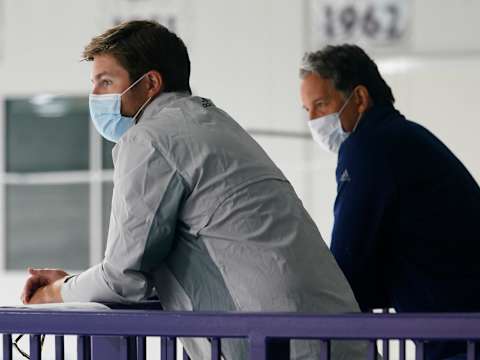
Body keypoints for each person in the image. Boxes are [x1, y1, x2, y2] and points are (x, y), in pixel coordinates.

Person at [21, 21, 368, 359]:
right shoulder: (212, 122)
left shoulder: (150, 139)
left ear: (150, 83)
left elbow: (123, 279)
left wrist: (55, 292)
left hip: (275, 343)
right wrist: (76, 282)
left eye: (106, 82)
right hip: (337, 337)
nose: (96, 96)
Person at [300, 44, 480, 360]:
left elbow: (349, 258)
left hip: (461, 335)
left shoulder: (368, 147)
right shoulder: (403, 136)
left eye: (321, 104)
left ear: (359, 98)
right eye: (307, 111)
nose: (313, 120)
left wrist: (307, 302)